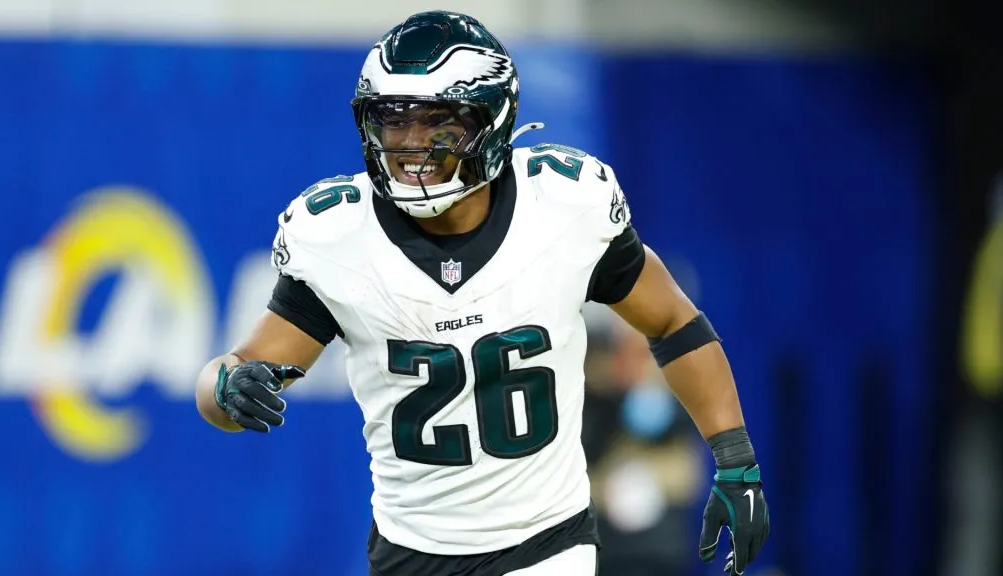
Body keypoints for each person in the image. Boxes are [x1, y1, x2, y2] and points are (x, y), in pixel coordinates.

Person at [194, 10, 769, 576]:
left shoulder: (565, 207)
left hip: (546, 542)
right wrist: (226, 386)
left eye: (438, 122)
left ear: (492, 120)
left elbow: (673, 321)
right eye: (394, 121)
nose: (412, 144)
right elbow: (236, 372)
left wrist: (736, 462)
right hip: (408, 549)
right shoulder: (338, 237)